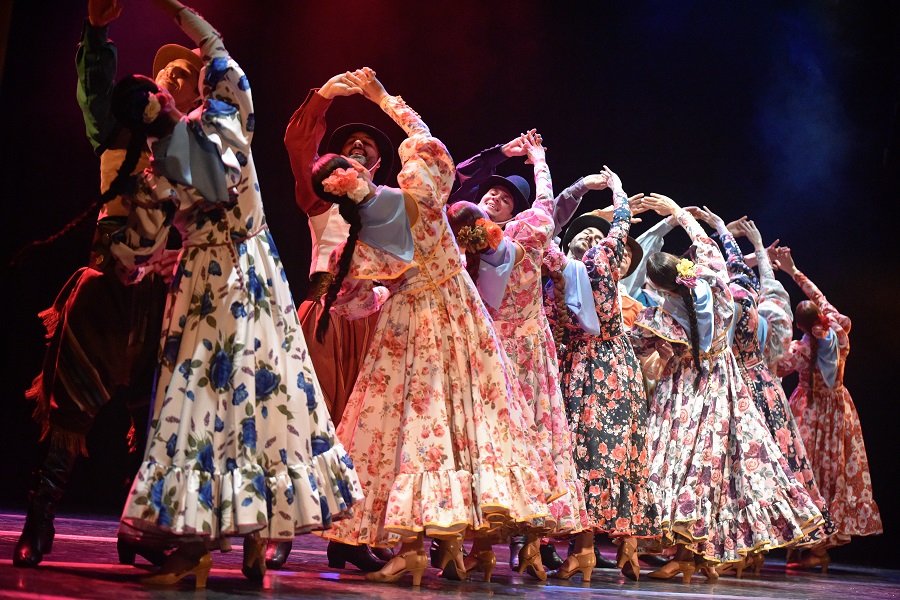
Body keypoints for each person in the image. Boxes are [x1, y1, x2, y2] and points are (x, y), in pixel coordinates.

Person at [107, 0, 362, 588]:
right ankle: (251, 543)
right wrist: (178, 12)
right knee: (265, 398)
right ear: (167, 102)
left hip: (205, 281)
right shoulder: (223, 119)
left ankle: (197, 546)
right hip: (255, 276)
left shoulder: (158, 172)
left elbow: (134, 257)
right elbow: (222, 55)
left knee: (202, 396)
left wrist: (116, 252)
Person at [312, 70, 556, 586]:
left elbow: (356, 303)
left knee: (424, 425)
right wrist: (381, 97)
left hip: (419, 321)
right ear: (356, 181)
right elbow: (423, 137)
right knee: (445, 422)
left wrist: (387, 290)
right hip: (452, 315)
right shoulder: (411, 196)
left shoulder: (369, 232)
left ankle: (429, 546)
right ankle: (438, 544)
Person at [13, 0, 203, 569]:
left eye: (187, 76)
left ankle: (135, 530)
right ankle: (40, 522)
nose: (174, 75)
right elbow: (94, 88)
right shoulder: (118, 127)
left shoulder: (193, 152)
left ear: (193, 101)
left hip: (160, 297)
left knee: (152, 420)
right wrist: (97, 31)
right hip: (104, 288)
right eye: (169, 69)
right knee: (70, 410)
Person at [628, 194, 823, 581]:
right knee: (719, 470)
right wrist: (683, 215)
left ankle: (687, 554)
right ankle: (703, 555)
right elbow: (711, 251)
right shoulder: (718, 289)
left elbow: (631, 338)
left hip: (687, 394)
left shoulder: (664, 314)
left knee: (685, 468)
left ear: (661, 287)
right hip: (727, 388)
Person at [446, 132, 588, 582]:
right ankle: (487, 547)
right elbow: (454, 193)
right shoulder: (469, 238)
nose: (494, 197)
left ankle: (523, 547)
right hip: (487, 346)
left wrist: (538, 160)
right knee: (493, 445)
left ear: (516, 211)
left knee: (525, 442)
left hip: (521, 354)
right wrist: (516, 157)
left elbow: (546, 205)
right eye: (491, 192)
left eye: (505, 197)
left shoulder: (526, 234)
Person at [282, 69, 397, 572]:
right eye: (352, 143)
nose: (360, 149)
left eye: (369, 147)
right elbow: (296, 143)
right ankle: (280, 526)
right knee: (309, 421)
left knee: (363, 433)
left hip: (371, 326)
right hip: (323, 320)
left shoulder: (391, 208)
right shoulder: (320, 194)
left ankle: (349, 537)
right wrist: (324, 95)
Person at [694, 209, 834, 576]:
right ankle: (757, 549)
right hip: (768, 392)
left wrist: (731, 236)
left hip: (737, 391)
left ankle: (742, 550)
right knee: (775, 471)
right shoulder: (771, 313)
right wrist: (758, 250)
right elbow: (767, 285)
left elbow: (728, 275)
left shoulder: (726, 310)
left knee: (739, 471)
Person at [541, 169, 659, 582]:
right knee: (613, 453)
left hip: (584, 369)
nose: (593, 241)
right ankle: (623, 545)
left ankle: (590, 548)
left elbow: (553, 329)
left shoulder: (558, 276)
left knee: (593, 454)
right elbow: (622, 227)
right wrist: (620, 193)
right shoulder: (602, 262)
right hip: (616, 366)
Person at [774, 246, 883, 571]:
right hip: (839, 410)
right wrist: (794, 271)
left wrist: (781, 338)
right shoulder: (838, 330)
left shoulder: (804, 350)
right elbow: (820, 299)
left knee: (808, 475)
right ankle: (811, 547)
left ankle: (815, 548)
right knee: (831, 475)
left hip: (810, 412)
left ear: (801, 326)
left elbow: (777, 368)